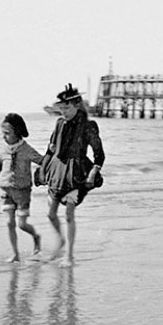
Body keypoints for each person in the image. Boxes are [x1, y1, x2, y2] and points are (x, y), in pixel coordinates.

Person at [36, 84, 105, 267]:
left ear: (76, 105)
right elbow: (50, 149)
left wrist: (94, 171)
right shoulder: (59, 123)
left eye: (67, 108)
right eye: (61, 108)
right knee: (50, 214)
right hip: (57, 171)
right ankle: (60, 240)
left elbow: (99, 154)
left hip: (76, 173)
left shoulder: (88, 126)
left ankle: (70, 255)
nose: (63, 112)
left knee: (69, 214)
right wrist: (43, 168)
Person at [0, 113, 43, 262]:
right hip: (6, 190)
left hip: (22, 192)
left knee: (22, 225)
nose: (4, 137)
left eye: (7, 134)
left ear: (17, 132)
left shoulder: (27, 149)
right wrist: (4, 180)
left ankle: (36, 237)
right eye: (3, 133)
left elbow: (43, 161)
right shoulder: (3, 150)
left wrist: (41, 174)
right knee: (9, 223)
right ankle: (15, 254)